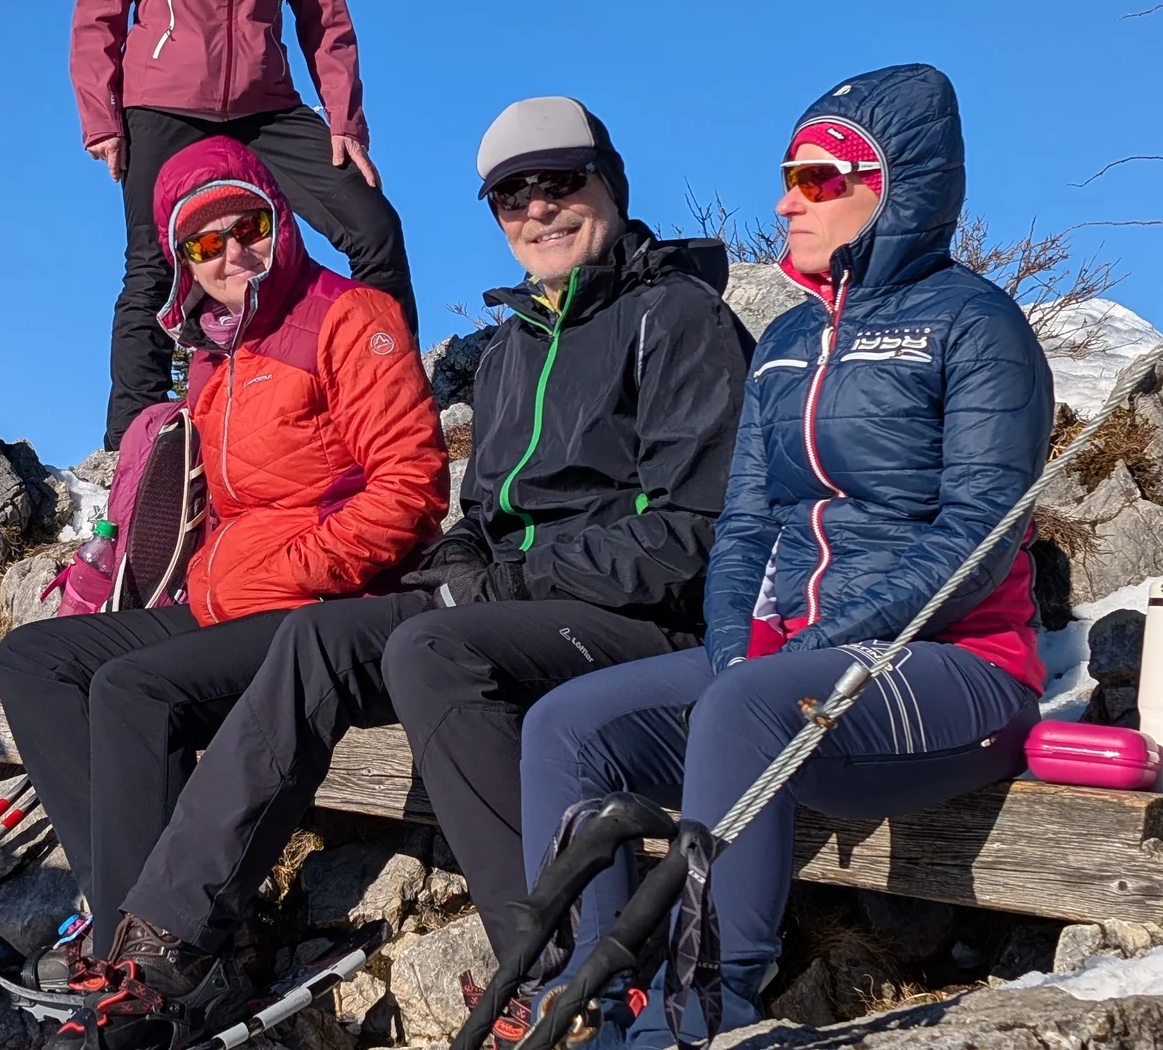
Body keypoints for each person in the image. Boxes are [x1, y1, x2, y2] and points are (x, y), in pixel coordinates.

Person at [64, 97, 753, 1047]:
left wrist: (499, 585)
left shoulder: (675, 318)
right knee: (327, 638)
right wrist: (460, 570)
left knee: (430, 651)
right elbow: (478, 520)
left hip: (639, 620)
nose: (538, 209)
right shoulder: (514, 346)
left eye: (561, 182)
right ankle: (157, 954)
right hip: (523, 609)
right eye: (511, 196)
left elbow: (696, 534)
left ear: (611, 184)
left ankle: (556, 970)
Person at [518, 64, 1055, 1045]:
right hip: (788, 668)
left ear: (890, 187)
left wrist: (807, 650)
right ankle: (587, 1008)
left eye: (814, 178)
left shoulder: (977, 325)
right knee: (565, 725)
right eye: (785, 177)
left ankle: (696, 1012)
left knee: (747, 704)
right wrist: (737, 644)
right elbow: (746, 526)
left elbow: (978, 537)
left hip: (954, 666)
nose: (785, 201)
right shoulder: (788, 341)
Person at [0, 136, 447, 969]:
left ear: (281, 222)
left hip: (327, 610)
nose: (232, 252)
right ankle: (122, 914)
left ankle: (148, 958)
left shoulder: (350, 317)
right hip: (226, 600)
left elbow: (410, 489)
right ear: (184, 263)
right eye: (206, 241)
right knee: (34, 659)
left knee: (135, 689)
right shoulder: (213, 358)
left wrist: (294, 569)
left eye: (249, 226)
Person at [72, 0, 417, 450]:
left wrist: (344, 121)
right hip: (163, 105)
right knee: (154, 267)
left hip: (266, 107)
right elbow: (99, 8)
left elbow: (325, 18)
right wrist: (101, 118)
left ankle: (391, 390)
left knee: (374, 226)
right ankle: (134, 445)